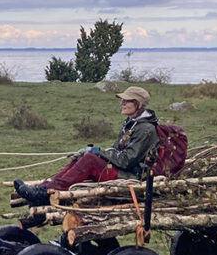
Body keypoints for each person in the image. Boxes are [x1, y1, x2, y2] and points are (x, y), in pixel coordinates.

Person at [13, 86, 160, 206]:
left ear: (139, 105)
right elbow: (116, 150)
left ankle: (48, 192)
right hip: (120, 169)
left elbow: (127, 160)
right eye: (122, 100)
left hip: (131, 176)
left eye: (127, 101)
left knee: (90, 159)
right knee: (83, 157)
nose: (122, 103)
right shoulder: (131, 122)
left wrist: (97, 152)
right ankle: (45, 187)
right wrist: (97, 152)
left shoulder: (146, 129)